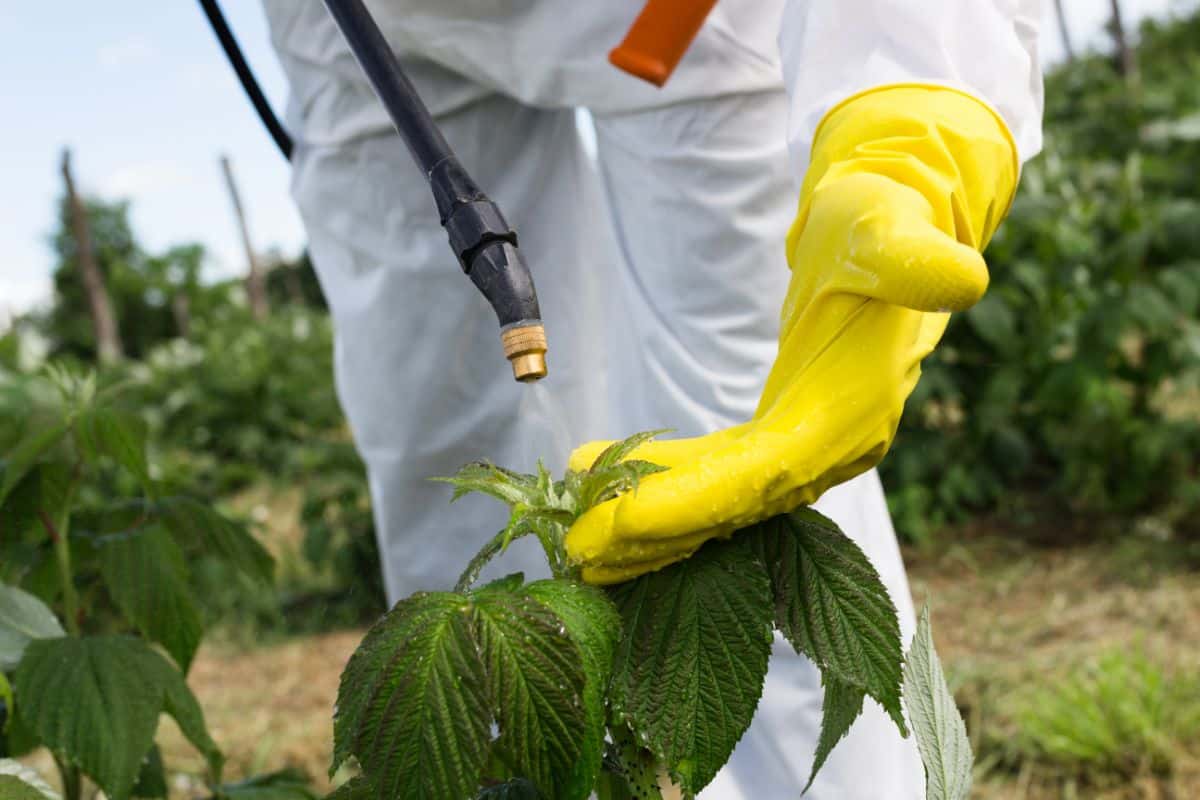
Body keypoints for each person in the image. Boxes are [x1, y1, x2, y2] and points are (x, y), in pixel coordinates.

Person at [262, 1, 1042, 796]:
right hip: (356, 19)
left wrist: (910, 125)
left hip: (673, 15)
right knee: (443, 456)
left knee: (741, 444)